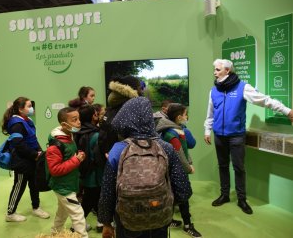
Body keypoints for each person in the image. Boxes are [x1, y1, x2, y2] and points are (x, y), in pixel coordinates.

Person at [204, 59, 293, 215]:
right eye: (214, 70)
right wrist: (207, 130)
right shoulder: (213, 91)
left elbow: (265, 100)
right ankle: (224, 195)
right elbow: (210, 113)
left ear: (227, 71)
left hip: (236, 136)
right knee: (223, 166)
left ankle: (241, 199)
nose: (214, 72)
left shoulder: (243, 87)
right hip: (219, 135)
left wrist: (287, 111)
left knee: (239, 168)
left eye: (217, 70)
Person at [98, 97, 192, 238]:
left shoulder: (118, 150)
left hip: (127, 221)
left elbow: (107, 192)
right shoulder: (166, 148)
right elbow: (183, 191)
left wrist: (106, 223)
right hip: (160, 219)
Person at [1, 97, 49, 222]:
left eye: (31, 105)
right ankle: (10, 213)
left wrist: (39, 152)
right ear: (20, 109)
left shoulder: (27, 120)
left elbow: (33, 139)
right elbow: (18, 144)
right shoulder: (16, 123)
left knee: (34, 184)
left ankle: (36, 207)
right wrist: (34, 154)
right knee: (19, 185)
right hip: (22, 161)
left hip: (32, 159)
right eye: (28, 106)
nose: (31, 108)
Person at [157, 103, 202, 238]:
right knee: (183, 197)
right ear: (178, 117)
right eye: (185, 114)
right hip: (177, 171)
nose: (186, 116)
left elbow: (184, 149)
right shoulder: (172, 134)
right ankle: (187, 225)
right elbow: (179, 154)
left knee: (174, 196)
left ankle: (169, 220)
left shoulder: (175, 130)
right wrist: (188, 167)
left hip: (174, 170)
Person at [46, 107, 87, 238]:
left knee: (62, 213)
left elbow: (68, 158)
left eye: (79, 118)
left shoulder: (70, 136)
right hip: (63, 187)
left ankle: (54, 234)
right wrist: (76, 160)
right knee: (78, 214)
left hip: (69, 183)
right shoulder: (55, 145)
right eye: (74, 120)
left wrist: (77, 157)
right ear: (64, 124)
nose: (79, 122)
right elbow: (55, 169)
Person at [74, 105, 104, 232]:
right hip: (95, 174)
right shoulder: (96, 135)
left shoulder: (79, 132)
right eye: (96, 113)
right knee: (89, 200)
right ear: (93, 116)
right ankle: (77, 225)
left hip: (84, 172)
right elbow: (99, 158)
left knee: (94, 198)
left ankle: (100, 222)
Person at [98, 75, 142, 160]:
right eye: (140, 87)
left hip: (110, 155)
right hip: (124, 157)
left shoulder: (112, 107)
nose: (142, 90)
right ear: (133, 89)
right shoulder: (130, 108)